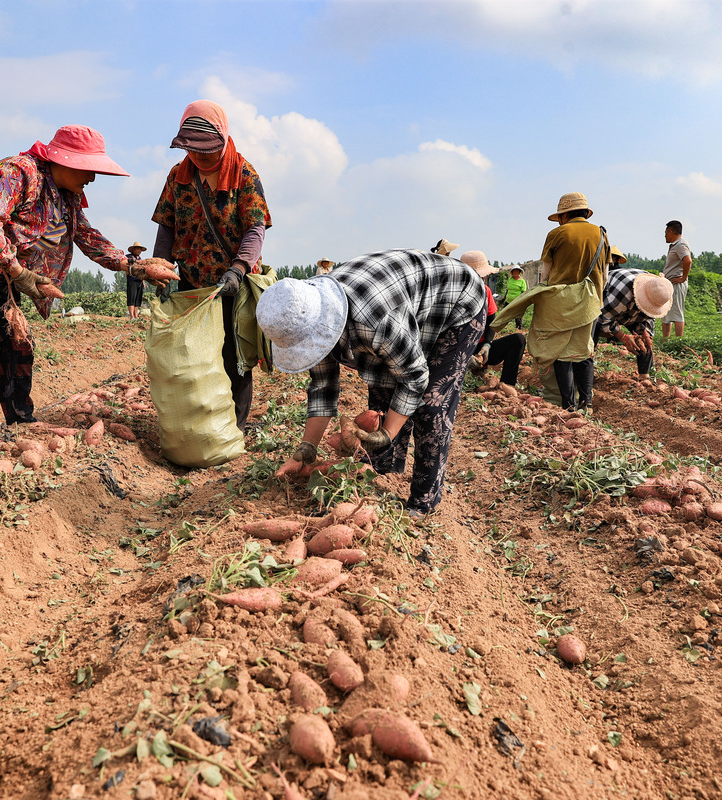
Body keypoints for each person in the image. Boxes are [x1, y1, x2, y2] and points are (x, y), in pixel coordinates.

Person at [0, 124, 156, 442]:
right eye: (87, 170)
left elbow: (86, 236)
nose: (91, 178)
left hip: (2, 272)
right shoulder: (19, 173)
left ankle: (20, 420)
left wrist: (134, 268)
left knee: (19, 346)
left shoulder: (67, 198)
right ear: (64, 161)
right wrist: (20, 273)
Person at [258, 250, 487, 517]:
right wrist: (306, 448)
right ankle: (379, 474)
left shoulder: (375, 322)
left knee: (431, 406)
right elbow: (323, 387)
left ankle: (423, 501)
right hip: (400, 305)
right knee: (381, 400)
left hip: (456, 302)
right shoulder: (302, 314)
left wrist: (387, 433)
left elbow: (414, 378)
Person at [151, 100, 272, 430]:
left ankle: (235, 426)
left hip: (235, 284)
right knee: (196, 355)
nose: (200, 157)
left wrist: (238, 268)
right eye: (194, 150)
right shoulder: (178, 176)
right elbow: (167, 225)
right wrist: (161, 266)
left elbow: (255, 228)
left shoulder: (244, 175)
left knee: (236, 357)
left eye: (207, 150)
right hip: (194, 284)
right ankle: (202, 421)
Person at [496, 192, 607, 411]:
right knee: (584, 352)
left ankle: (568, 405)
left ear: (564, 215)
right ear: (585, 212)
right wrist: (597, 299)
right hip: (590, 300)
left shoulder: (557, 233)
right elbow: (604, 272)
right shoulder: (601, 233)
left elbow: (545, 273)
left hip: (559, 301)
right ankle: (588, 403)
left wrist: (540, 293)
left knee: (560, 353)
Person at [594, 269, 673, 378]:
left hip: (628, 306)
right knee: (593, 335)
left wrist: (646, 333)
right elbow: (602, 318)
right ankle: (582, 374)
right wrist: (623, 337)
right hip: (603, 305)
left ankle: (645, 375)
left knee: (644, 340)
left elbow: (649, 316)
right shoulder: (623, 294)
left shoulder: (658, 291)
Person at [661, 220, 692, 339]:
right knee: (666, 313)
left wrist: (683, 278)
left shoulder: (681, 244)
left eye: (665, 232)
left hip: (677, 283)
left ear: (671, 231)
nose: (665, 235)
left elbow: (688, 260)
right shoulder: (675, 245)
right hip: (670, 283)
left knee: (677, 313)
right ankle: (666, 341)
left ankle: (678, 342)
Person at [125, 241, 147, 319]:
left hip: (139, 280)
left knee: (138, 298)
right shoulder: (129, 257)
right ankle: (131, 316)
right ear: (133, 249)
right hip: (132, 279)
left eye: (140, 249)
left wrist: (143, 281)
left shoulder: (140, 259)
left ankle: (136, 316)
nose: (139, 251)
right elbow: (125, 264)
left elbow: (141, 272)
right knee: (132, 297)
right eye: (137, 249)